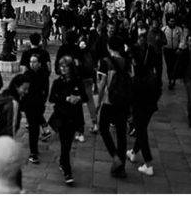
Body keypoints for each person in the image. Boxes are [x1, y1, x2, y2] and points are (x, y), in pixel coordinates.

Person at [96, 37, 132, 178]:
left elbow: (102, 84)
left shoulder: (106, 62)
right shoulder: (127, 62)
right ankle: (121, 168)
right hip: (123, 102)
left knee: (103, 128)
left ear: (109, 46)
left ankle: (115, 156)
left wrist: (98, 102)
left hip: (109, 101)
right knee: (121, 133)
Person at [128, 34, 163, 176]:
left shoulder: (137, 78)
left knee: (141, 133)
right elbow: (158, 90)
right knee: (141, 129)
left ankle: (148, 163)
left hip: (140, 108)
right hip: (150, 107)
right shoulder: (150, 74)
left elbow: (133, 95)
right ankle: (134, 152)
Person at [48, 56, 87, 185]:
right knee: (65, 144)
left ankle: (62, 162)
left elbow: (85, 97)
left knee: (67, 144)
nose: (63, 69)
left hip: (73, 117)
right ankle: (67, 171)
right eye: (61, 66)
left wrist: (78, 98)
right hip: (61, 116)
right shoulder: (58, 83)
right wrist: (65, 98)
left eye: (66, 66)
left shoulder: (77, 81)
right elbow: (52, 98)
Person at [162, 17, 184, 90]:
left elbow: (182, 39)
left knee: (175, 66)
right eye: (171, 21)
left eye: (173, 21)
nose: (172, 22)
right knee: (169, 65)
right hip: (167, 50)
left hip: (175, 50)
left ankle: (173, 79)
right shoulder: (164, 29)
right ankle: (170, 80)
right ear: (168, 22)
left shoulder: (179, 29)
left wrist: (179, 48)